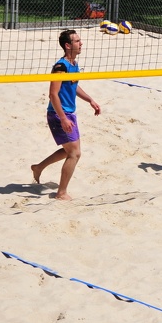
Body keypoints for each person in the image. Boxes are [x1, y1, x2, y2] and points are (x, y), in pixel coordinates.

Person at [31, 29, 101, 200]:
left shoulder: (74, 64)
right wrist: (62, 118)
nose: (81, 43)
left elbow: (73, 85)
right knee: (74, 153)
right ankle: (61, 193)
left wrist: (89, 99)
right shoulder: (61, 67)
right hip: (58, 114)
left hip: (69, 113)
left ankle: (38, 167)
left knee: (68, 150)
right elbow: (53, 94)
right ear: (68, 45)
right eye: (77, 41)